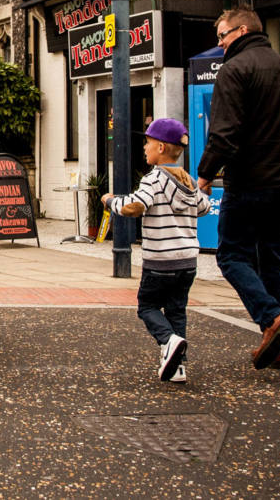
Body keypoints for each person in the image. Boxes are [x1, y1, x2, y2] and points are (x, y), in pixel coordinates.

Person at [197, 6, 280, 370]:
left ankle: (271, 318)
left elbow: (224, 135)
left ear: (243, 29)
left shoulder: (234, 71)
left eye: (222, 35)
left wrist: (203, 177)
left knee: (231, 255)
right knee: (273, 257)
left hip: (249, 182)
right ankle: (276, 347)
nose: (219, 44)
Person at [102, 118, 210, 383]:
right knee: (176, 310)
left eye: (148, 142)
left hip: (160, 260)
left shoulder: (154, 179)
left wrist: (111, 201)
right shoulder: (189, 181)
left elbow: (135, 206)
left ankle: (169, 340)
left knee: (147, 306)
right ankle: (178, 368)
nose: (144, 147)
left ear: (161, 147)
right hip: (187, 261)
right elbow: (204, 208)